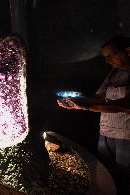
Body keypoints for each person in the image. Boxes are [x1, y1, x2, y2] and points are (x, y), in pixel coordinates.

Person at [57, 35, 130, 194]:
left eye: (111, 56)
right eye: (105, 58)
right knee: (106, 173)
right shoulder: (113, 73)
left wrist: (87, 107)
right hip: (106, 133)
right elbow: (98, 97)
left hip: (126, 135)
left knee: (125, 177)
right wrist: (75, 100)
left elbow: (123, 105)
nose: (108, 61)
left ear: (128, 51)